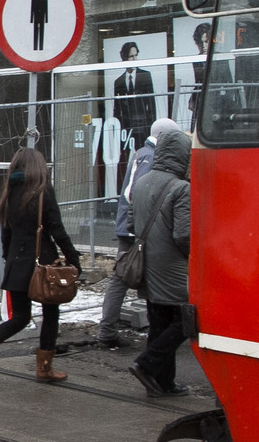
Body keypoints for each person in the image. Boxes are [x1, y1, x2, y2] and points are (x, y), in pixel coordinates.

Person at [0, 147, 81, 384]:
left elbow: (6, 234)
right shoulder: (42, 191)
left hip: (16, 263)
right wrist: (74, 260)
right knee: (51, 313)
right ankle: (44, 369)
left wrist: (9, 261)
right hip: (43, 265)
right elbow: (57, 231)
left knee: (20, 317)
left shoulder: (10, 191)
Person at [97, 118, 180, 349]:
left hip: (131, 228)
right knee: (124, 277)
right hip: (137, 230)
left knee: (123, 277)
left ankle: (108, 331)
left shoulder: (141, 153)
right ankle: (109, 332)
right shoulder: (153, 157)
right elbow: (136, 194)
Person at [127, 129, 192, 398]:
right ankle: (147, 363)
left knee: (160, 323)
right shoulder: (181, 187)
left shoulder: (141, 182)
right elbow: (184, 234)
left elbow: (131, 223)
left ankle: (162, 382)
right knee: (186, 321)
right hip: (173, 266)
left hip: (148, 265)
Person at [113, 42, 157, 143]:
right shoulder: (118, 82)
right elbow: (117, 109)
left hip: (143, 125)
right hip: (126, 127)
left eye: (136, 55)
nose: (134, 59)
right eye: (131, 56)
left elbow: (151, 104)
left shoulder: (145, 76)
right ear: (124, 59)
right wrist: (118, 130)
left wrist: (151, 128)